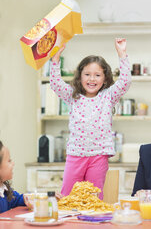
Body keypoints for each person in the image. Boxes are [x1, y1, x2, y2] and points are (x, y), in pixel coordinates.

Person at [50, 38, 131, 199]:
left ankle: (92, 224)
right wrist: (55, 58)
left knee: (93, 199)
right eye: (87, 74)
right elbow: (55, 83)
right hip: (75, 155)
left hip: (99, 156)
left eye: (97, 75)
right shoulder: (72, 95)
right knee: (67, 197)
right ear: (80, 76)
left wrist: (122, 54)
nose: (92, 79)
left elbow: (125, 82)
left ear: (105, 79)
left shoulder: (108, 96)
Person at [0, 140, 28, 213]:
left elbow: (18, 199)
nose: (13, 163)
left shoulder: (4, 191)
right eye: (9, 161)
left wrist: (43, 196)